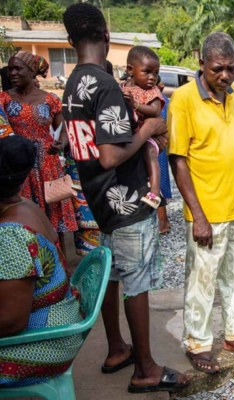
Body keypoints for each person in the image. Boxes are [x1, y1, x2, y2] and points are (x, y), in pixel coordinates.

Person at [61, 3, 191, 393]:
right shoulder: (106, 87)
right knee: (136, 282)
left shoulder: (73, 84)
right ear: (106, 37)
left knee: (113, 276)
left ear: (70, 42)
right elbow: (111, 154)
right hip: (127, 202)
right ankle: (146, 370)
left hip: (99, 200)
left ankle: (117, 348)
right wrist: (149, 126)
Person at [168, 32, 234, 374]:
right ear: (202, 65)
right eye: (218, 69)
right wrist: (198, 215)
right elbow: (178, 160)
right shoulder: (182, 99)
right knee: (202, 282)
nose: (225, 76)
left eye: (231, 69)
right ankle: (197, 343)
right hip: (207, 211)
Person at [0, 136, 83, 388]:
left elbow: (12, 320)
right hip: (60, 323)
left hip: (41, 345)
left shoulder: (10, 233)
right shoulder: (23, 205)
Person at [0, 51, 78, 257]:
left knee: (55, 215)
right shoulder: (4, 99)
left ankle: (59, 261)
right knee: (21, 213)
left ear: (32, 71)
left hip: (47, 164)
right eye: (10, 69)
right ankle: (30, 260)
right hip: (19, 166)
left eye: (18, 68)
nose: (13, 73)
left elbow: (64, 128)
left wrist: (61, 143)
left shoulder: (51, 99)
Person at [65, 61, 118, 257]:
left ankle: (97, 269)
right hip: (97, 175)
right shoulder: (103, 97)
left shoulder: (112, 97)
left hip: (93, 178)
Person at [120, 46, 165, 210]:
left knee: (149, 152)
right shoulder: (121, 87)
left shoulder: (152, 92)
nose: (152, 77)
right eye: (147, 72)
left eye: (156, 72)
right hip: (131, 133)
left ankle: (155, 192)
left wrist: (135, 104)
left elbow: (155, 111)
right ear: (130, 69)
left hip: (149, 134)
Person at [156, 75, 172, 234]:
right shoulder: (163, 100)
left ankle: (163, 221)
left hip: (158, 148)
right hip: (157, 147)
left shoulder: (161, 101)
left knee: (158, 184)